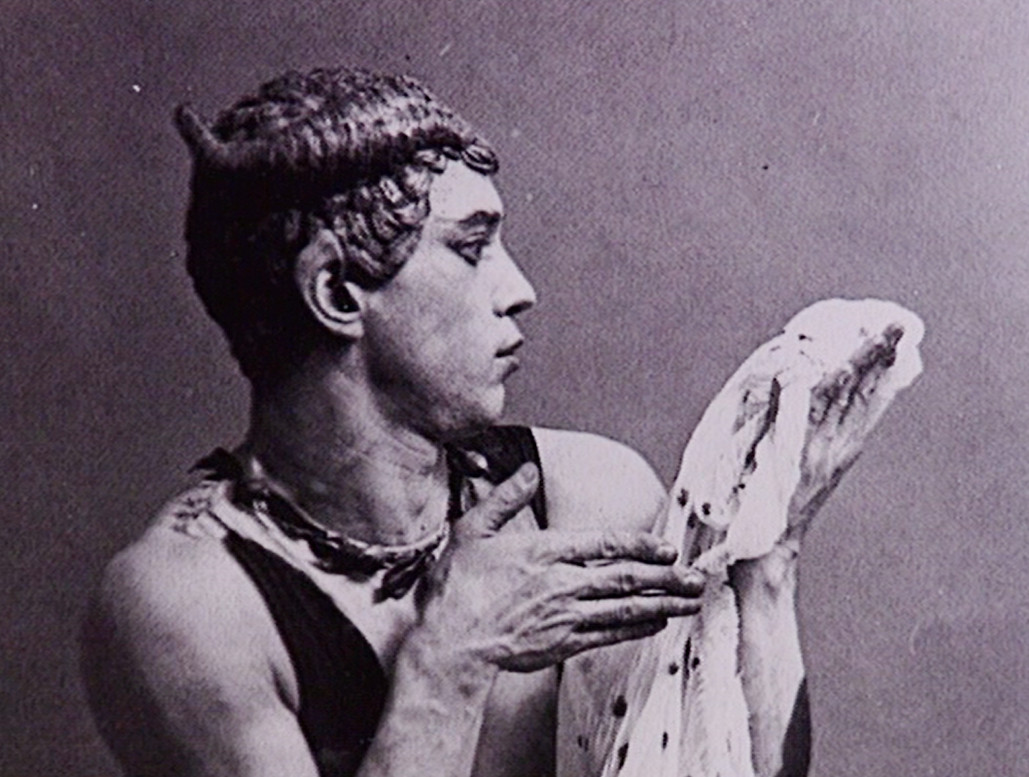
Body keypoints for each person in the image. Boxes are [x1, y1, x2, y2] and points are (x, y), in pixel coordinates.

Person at [81, 67, 808, 777]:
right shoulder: (187, 603)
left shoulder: (589, 494)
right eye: (470, 248)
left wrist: (769, 562)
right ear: (336, 291)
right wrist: (449, 659)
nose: (519, 290)